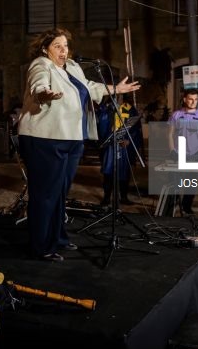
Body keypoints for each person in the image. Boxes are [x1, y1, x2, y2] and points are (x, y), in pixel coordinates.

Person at [17, 28, 140, 261]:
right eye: (58, 46)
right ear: (46, 49)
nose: (64, 51)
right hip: (44, 139)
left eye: (65, 46)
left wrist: (116, 89)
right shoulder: (41, 65)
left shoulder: (73, 67)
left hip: (72, 138)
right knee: (45, 195)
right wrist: (44, 94)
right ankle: (41, 247)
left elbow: (91, 88)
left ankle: (58, 239)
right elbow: (37, 86)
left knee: (60, 193)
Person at [167, 88, 198, 215]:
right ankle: (172, 206)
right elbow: (170, 134)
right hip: (178, 154)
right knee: (174, 182)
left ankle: (186, 207)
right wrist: (172, 151)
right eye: (191, 99)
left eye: (196, 99)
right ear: (185, 99)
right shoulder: (176, 115)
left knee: (192, 183)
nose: (193, 102)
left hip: (195, 154)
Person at [99, 95, 142, 206]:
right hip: (110, 146)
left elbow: (136, 128)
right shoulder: (106, 108)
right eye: (116, 95)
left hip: (124, 146)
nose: (118, 97)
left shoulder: (130, 109)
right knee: (108, 172)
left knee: (124, 172)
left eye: (120, 95)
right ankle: (107, 197)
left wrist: (128, 140)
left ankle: (123, 197)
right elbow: (101, 125)